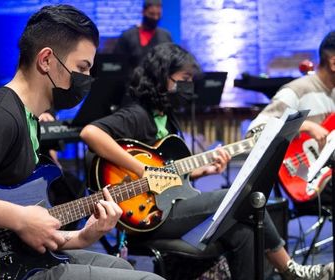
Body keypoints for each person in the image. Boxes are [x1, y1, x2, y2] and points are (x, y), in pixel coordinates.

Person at [0, 5, 164, 280]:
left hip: (19, 260)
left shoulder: (29, 120)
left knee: (120, 268)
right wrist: (19, 217)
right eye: (81, 68)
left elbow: (21, 232)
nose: (85, 80)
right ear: (46, 60)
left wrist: (84, 236)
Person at [80, 42, 334, 280]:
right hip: (148, 217)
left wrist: (203, 170)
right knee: (242, 195)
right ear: (161, 77)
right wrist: (143, 170)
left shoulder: (166, 119)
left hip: (171, 205)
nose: (189, 86)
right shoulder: (136, 114)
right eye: (184, 80)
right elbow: (90, 133)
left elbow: (169, 175)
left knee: (244, 231)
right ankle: (290, 269)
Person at [247, 30, 335, 211]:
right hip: (300, 173)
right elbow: (255, 131)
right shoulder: (296, 90)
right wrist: (306, 125)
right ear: (333, 63)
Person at [113, 0, 172, 76]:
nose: (155, 17)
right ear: (143, 12)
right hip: (132, 84)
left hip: (158, 84)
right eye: (152, 14)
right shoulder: (127, 36)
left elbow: (171, 63)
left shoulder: (166, 36)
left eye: (158, 14)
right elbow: (117, 63)